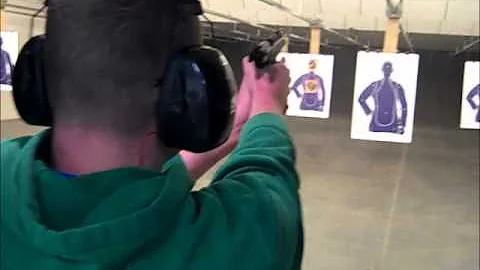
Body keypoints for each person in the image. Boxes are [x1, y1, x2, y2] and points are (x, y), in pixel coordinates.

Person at [0, 1, 303, 270]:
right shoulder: (247, 240)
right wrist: (268, 106)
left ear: (37, 75)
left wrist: (242, 125)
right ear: (188, 91)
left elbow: (122, 195)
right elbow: (269, 178)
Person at [358, 61, 408, 134]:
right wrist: (368, 111)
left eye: (388, 69)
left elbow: (404, 106)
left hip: (392, 124)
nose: (387, 71)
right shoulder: (375, 85)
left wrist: (402, 123)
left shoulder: (397, 87)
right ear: (383, 70)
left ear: (391, 71)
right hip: (376, 124)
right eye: (386, 69)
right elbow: (361, 99)